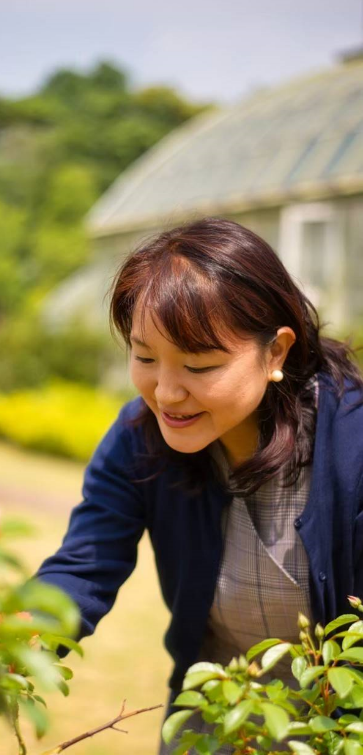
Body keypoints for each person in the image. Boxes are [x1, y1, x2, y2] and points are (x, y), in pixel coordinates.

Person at [35, 217, 363, 754]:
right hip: (212, 720)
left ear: (276, 352)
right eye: (144, 357)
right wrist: (23, 634)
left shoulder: (352, 446)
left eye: (199, 365)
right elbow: (85, 563)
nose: (165, 392)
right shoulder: (139, 436)